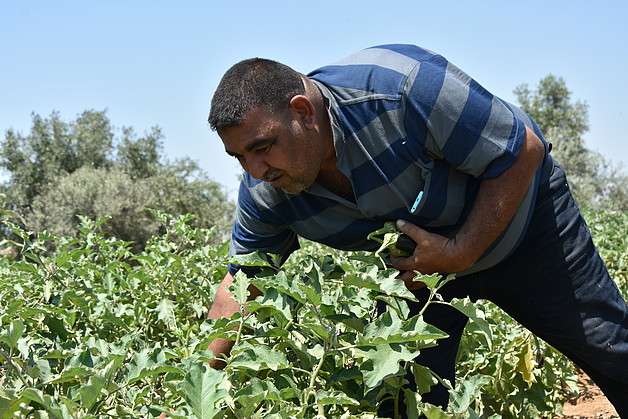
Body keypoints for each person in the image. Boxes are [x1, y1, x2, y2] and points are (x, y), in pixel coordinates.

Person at [206, 44, 628, 416]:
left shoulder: (402, 89)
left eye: (262, 148)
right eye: (239, 157)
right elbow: (245, 275)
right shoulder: (267, 190)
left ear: (302, 112)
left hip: (522, 224)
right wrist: (199, 388)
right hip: (418, 271)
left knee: (608, 346)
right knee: (401, 397)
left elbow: (522, 149)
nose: (255, 170)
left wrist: (462, 250)